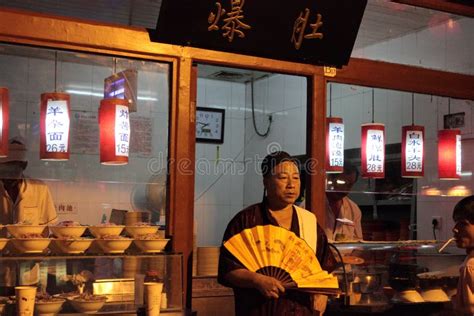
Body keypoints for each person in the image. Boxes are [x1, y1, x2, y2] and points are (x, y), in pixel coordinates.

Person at [218, 151, 337, 316]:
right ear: (265, 182)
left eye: (296, 178)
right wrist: (257, 280)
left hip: (301, 310)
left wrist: (322, 293)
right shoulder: (246, 221)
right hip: (258, 310)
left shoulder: (308, 221)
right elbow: (228, 270)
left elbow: (325, 268)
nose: (291, 184)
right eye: (282, 178)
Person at [0, 137, 57, 226]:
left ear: (24, 166)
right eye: (5, 169)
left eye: (13, 169)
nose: (8, 175)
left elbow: (50, 225)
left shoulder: (40, 189)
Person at [324, 161, 363, 241]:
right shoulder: (312, 204)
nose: (345, 189)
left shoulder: (354, 209)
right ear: (330, 179)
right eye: (341, 183)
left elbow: (358, 242)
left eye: (350, 185)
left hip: (345, 254)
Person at [451, 195, 474, 315]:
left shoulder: (470, 266)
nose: (454, 229)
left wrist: (454, 303)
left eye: (463, 224)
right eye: (456, 223)